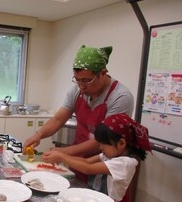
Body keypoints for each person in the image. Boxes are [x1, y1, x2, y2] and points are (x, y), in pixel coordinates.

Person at [23, 45, 134, 182]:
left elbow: (103, 140)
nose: (81, 86)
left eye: (86, 80)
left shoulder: (120, 97)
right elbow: (58, 119)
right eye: (77, 79)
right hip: (77, 160)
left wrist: (62, 153)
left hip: (104, 164)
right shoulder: (77, 91)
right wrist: (38, 135)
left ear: (103, 73)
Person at [42, 113, 151, 202]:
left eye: (104, 143)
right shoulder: (110, 155)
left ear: (121, 143)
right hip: (97, 200)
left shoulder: (125, 163)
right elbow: (86, 161)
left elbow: (88, 168)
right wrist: (61, 156)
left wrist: (61, 156)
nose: (100, 147)